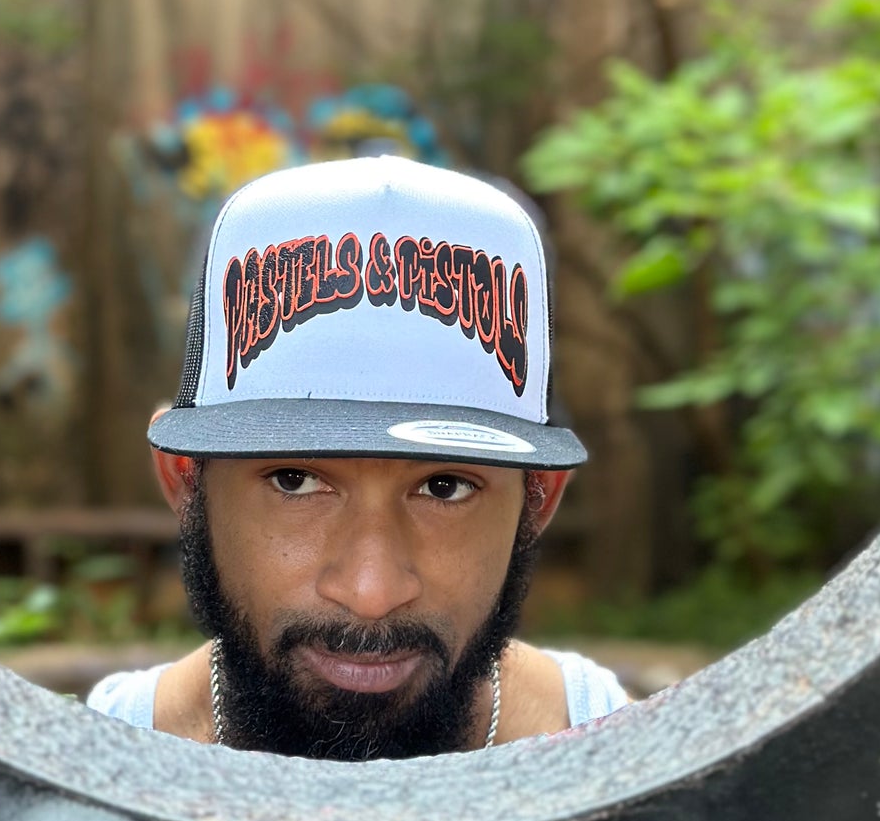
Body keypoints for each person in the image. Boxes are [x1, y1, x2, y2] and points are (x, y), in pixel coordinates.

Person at [89, 155, 628, 758]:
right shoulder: (91, 772)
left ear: (539, 498)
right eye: (294, 481)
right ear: (186, 481)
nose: (371, 592)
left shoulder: (627, 764)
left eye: (445, 487)